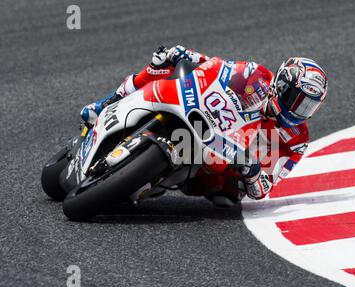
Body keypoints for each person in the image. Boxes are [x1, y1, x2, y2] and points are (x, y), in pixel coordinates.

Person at [80, 45, 328, 207]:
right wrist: (189, 56)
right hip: (206, 115)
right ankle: (106, 104)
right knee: (167, 62)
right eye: (298, 101)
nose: (300, 111)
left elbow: (266, 185)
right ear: (282, 86)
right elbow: (217, 68)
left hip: (224, 157)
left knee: (228, 197)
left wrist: (253, 173)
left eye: (308, 107)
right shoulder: (257, 76)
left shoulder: (295, 138)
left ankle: (158, 177)